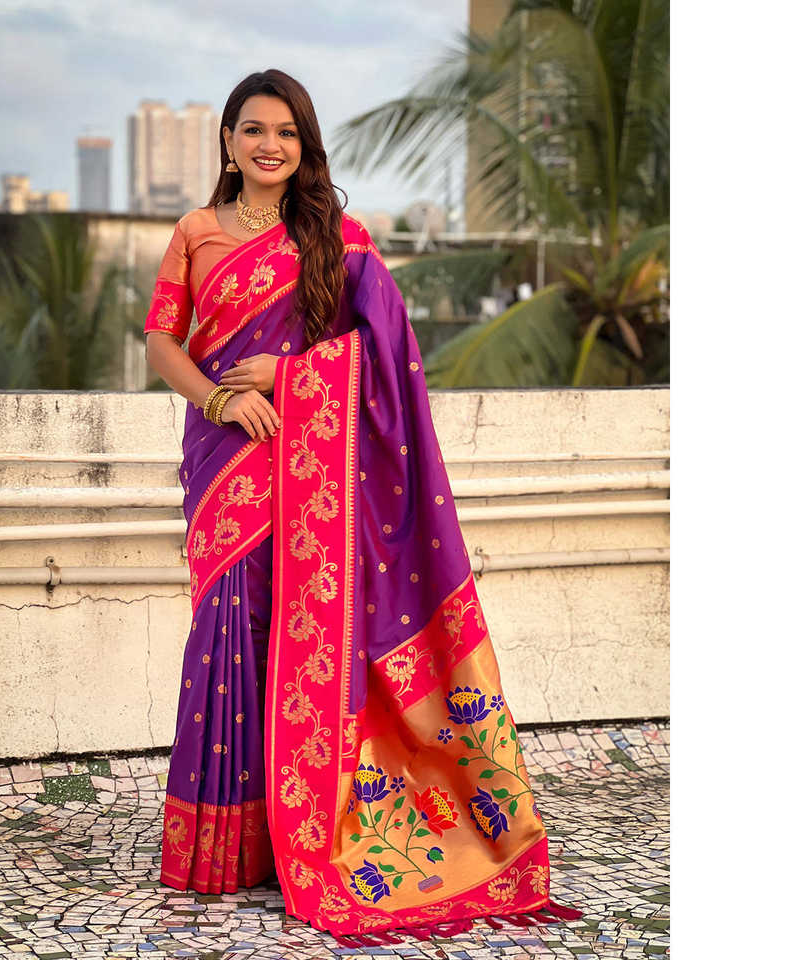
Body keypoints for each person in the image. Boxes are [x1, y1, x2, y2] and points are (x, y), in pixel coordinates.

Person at [144, 69, 581, 947]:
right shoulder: (194, 231)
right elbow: (162, 339)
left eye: (287, 133)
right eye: (254, 129)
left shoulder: (339, 239)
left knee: (299, 637)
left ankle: (300, 831)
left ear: (304, 146)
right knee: (228, 627)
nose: (270, 145)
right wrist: (221, 400)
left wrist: (292, 376)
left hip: (308, 462)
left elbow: (386, 356)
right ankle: (227, 845)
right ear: (227, 140)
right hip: (225, 456)